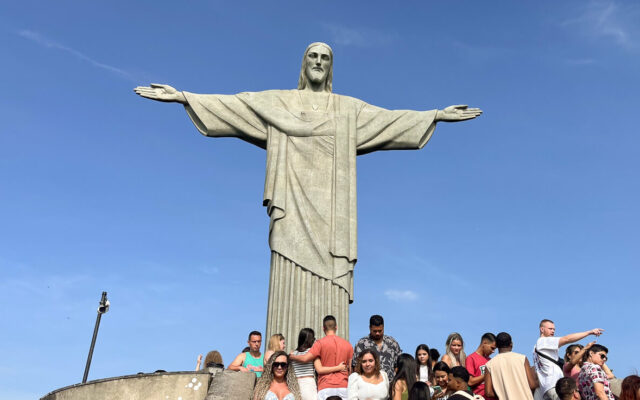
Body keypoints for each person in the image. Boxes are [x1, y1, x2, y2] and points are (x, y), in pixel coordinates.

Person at [134, 43, 482, 344]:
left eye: (325, 58)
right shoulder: (279, 102)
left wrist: (434, 115)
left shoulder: (348, 109)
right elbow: (237, 106)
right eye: (312, 56)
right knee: (286, 267)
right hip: (291, 208)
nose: (318, 62)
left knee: (331, 277)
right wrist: (184, 97)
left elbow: (389, 121)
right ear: (304, 64)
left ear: (331, 67)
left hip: (332, 217)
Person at [533, 319, 603, 400]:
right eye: (550, 329)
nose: (553, 331)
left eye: (554, 329)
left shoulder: (535, 347)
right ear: (542, 329)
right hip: (553, 385)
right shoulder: (544, 341)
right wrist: (589, 332)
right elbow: (567, 339)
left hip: (545, 387)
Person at [289, 315, 353, 400]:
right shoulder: (348, 345)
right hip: (344, 386)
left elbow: (305, 359)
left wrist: (292, 356)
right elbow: (351, 369)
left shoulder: (319, 343)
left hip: (325, 387)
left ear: (323, 328)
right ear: (336, 327)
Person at [485, 332, 538, 400]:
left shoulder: (489, 365)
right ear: (511, 344)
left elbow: (488, 393)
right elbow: (532, 385)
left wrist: (502, 392)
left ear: (496, 345)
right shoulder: (522, 358)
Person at [353, 315, 403, 381]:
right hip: (369, 385)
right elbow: (356, 367)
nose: (377, 333)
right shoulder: (362, 344)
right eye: (375, 331)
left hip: (389, 385)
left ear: (383, 327)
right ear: (369, 328)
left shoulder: (392, 343)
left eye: (380, 331)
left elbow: (398, 366)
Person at [465, 333, 496, 399]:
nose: (493, 351)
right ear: (484, 343)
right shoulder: (471, 358)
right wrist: (487, 375)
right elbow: (470, 382)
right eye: (492, 348)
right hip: (479, 397)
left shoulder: (490, 360)